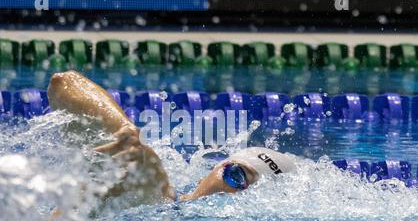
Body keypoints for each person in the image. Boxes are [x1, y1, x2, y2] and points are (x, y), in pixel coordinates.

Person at [47, 71, 296, 207]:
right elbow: (63, 83)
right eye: (236, 175)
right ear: (207, 173)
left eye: (251, 192)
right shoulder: (157, 193)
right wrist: (123, 127)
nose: (235, 193)